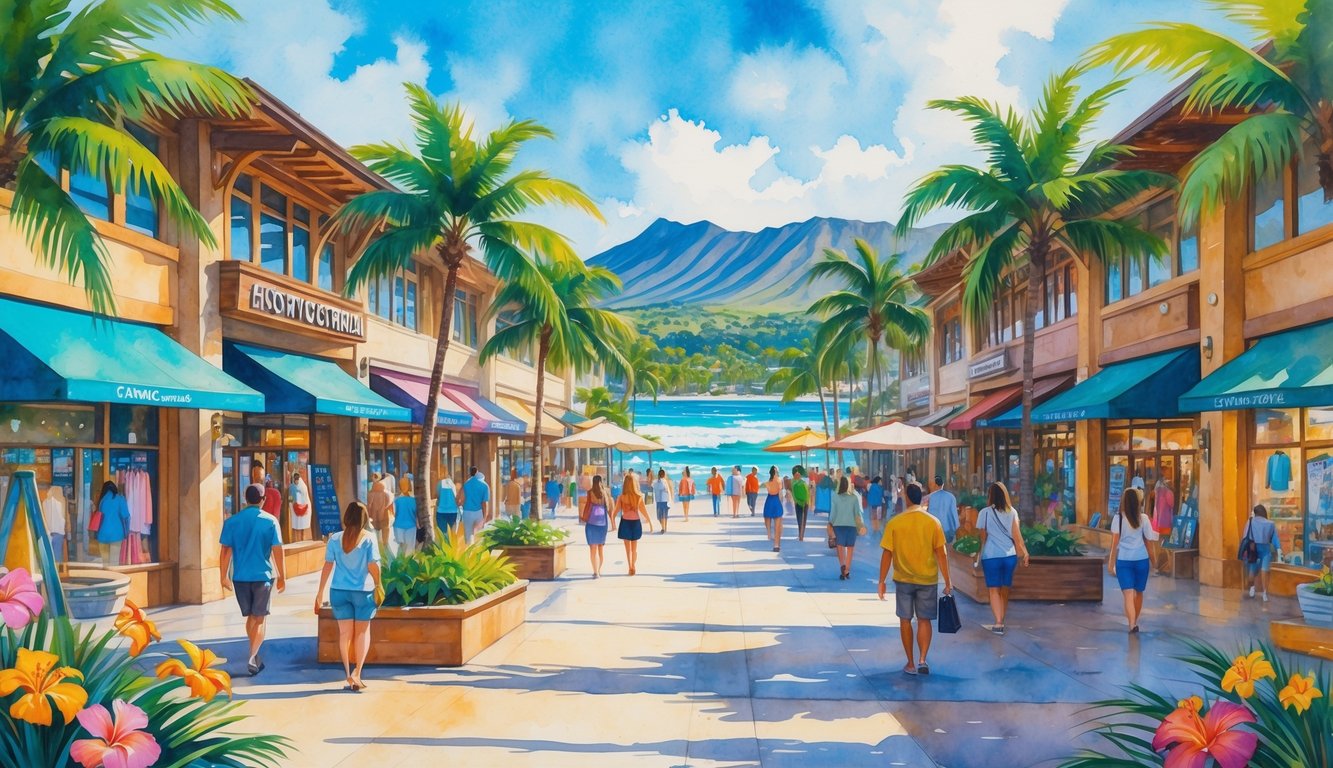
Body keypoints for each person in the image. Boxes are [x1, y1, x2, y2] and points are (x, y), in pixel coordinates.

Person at [877, 483, 952, 676]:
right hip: (927, 579)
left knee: (905, 620)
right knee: (924, 620)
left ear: (907, 499)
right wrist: (948, 581)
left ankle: (910, 662)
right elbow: (941, 553)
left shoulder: (895, 522)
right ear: (921, 499)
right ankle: (922, 659)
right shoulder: (933, 522)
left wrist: (882, 581)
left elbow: (887, 553)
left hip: (903, 579)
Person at [314, 501, 382, 692]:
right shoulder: (369, 538)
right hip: (363, 592)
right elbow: (372, 566)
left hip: (339, 591)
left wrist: (319, 593)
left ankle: (347, 673)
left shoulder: (335, 539)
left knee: (345, 634)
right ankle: (357, 673)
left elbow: (327, 566)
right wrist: (379, 584)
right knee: (361, 633)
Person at [219, 483, 285, 676]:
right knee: (260, 618)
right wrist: (282, 576)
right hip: (262, 576)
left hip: (240, 577)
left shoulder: (232, 522)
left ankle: (253, 655)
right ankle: (252, 656)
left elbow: (225, 551)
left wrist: (223, 576)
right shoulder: (270, 521)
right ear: (263, 500)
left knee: (251, 617)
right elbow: (277, 550)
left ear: (244, 498)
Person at [974, 482, 1029, 635]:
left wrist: (980, 550)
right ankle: (1001, 617)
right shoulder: (1012, 512)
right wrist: (1025, 552)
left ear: (990, 495)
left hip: (991, 556)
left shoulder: (984, 512)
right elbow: (1017, 537)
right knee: (1005, 588)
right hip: (1009, 556)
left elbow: (982, 536)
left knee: (993, 590)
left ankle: (998, 623)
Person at [1109, 486, 1159, 633]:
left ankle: (1132, 623)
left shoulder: (1117, 519)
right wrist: (1154, 561)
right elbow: (1149, 542)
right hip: (1141, 560)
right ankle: (1134, 621)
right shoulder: (1143, 519)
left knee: (1128, 594)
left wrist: (1111, 564)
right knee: (1139, 592)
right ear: (1138, 502)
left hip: (1124, 561)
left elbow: (1114, 544)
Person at [613, 473, 653, 575]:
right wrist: (650, 523)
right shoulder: (638, 497)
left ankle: (630, 566)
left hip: (625, 522)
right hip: (635, 522)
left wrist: (613, 522)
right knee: (634, 549)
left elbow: (615, 511)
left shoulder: (621, 497)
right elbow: (643, 510)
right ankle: (633, 565)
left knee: (627, 549)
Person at [828, 476, 867, 580]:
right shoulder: (854, 498)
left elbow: (833, 513)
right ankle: (847, 570)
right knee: (850, 548)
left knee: (840, 546)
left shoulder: (835, 496)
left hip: (838, 525)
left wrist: (830, 523)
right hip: (851, 526)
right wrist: (861, 526)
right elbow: (857, 514)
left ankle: (842, 565)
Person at [581, 475, 611, 578]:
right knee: (600, 548)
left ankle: (595, 572)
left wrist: (583, 517)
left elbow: (588, 506)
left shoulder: (590, 492)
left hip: (591, 522)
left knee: (592, 549)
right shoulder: (606, 492)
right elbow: (608, 508)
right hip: (603, 522)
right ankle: (599, 570)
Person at [94, 481, 130, 568]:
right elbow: (126, 516)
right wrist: (127, 532)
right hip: (116, 535)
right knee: (114, 562)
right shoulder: (120, 499)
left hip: (102, 535)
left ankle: (106, 580)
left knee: (105, 563)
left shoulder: (101, 501)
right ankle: (114, 580)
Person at [1246, 504, 1278, 602]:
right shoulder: (1270, 523)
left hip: (1253, 548)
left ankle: (1252, 588)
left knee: (1251, 570)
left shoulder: (1250, 521)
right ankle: (1264, 593)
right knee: (1265, 571)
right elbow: (1275, 538)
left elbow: (1245, 535)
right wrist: (1279, 549)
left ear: (1255, 513)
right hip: (1265, 548)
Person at [460, 467, 490, 543]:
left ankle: (469, 553)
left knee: (468, 536)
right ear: (477, 472)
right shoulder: (484, 485)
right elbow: (485, 504)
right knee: (479, 536)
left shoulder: (466, 484)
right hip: (478, 512)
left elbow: (461, 499)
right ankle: (478, 553)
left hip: (467, 512)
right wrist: (485, 517)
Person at [1151, 479, 1176, 572]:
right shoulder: (1168, 493)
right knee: (1166, 544)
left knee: (1159, 544)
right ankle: (1167, 565)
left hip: (1157, 523)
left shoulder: (1157, 493)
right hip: (1165, 523)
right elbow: (1171, 504)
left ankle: (1158, 564)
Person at [926, 476, 959, 544]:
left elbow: (929, 514)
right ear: (943, 484)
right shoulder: (951, 497)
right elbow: (954, 515)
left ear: (935, 485)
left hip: (935, 530)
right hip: (948, 531)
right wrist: (957, 529)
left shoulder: (931, 497)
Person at [392, 477, 417, 556]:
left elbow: (394, 514)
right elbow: (416, 513)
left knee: (400, 549)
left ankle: (400, 567)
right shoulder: (413, 500)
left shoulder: (396, 500)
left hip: (398, 526)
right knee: (409, 550)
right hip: (411, 526)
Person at [366, 478, 392, 552]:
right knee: (384, 535)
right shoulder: (386, 494)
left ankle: (377, 547)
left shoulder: (369, 494)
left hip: (373, 518)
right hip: (384, 517)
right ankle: (385, 545)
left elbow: (368, 507)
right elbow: (388, 504)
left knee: (375, 535)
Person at [43, 485, 68, 562]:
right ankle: (57, 571)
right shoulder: (62, 501)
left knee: (48, 555)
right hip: (59, 532)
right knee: (57, 555)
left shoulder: (44, 502)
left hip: (47, 532)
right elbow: (66, 517)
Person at [762, 466, 785, 551]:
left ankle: (769, 533)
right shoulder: (779, 480)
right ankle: (776, 545)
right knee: (778, 525)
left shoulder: (767, 482)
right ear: (777, 472)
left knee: (767, 517)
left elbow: (769, 490)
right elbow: (780, 495)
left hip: (769, 500)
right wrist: (781, 504)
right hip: (776, 501)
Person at [288, 471, 311, 543]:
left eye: (297, 479)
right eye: (295, 479)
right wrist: (290, 504)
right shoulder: (291, 487)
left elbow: (306, 498)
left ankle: (302, 539)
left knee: (302, 524)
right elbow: (290, 497)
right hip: (294, 507)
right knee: (295, 524)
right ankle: (295, 539)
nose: (296, 480)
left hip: (302, 507)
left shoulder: (303, 486)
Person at [791, 466, 810, 541]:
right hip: (799, 503)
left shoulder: (802, 482)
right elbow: (793, 493)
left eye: (799, 474)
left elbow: (807, 493)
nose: (797, 476)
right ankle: (800, 534)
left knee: (803, 519)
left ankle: (801, 535)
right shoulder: (794, 483)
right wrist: (795, 501)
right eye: (796, 474)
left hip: (805, 502)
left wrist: (807, 502)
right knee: (800, 519)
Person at [653, 468, 673, 533]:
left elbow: (654, 488)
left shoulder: (658, 482)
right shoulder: (663, 482)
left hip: (660, 500)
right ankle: (664, 528)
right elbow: (668, 491)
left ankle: (663, 528)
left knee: (660, 515)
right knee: (664, 515)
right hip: (664, 500)